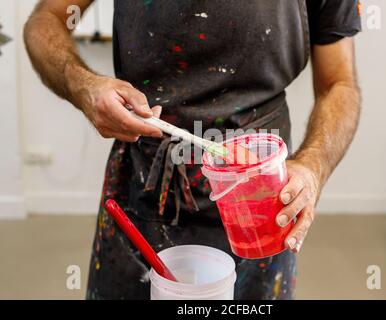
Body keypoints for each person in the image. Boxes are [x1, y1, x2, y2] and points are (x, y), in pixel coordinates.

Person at [24, 0, 362, 299]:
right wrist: (84, 86)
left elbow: (339, 83)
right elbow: (46, 19)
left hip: (264, 204)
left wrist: (312, 167)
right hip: (144, 190)